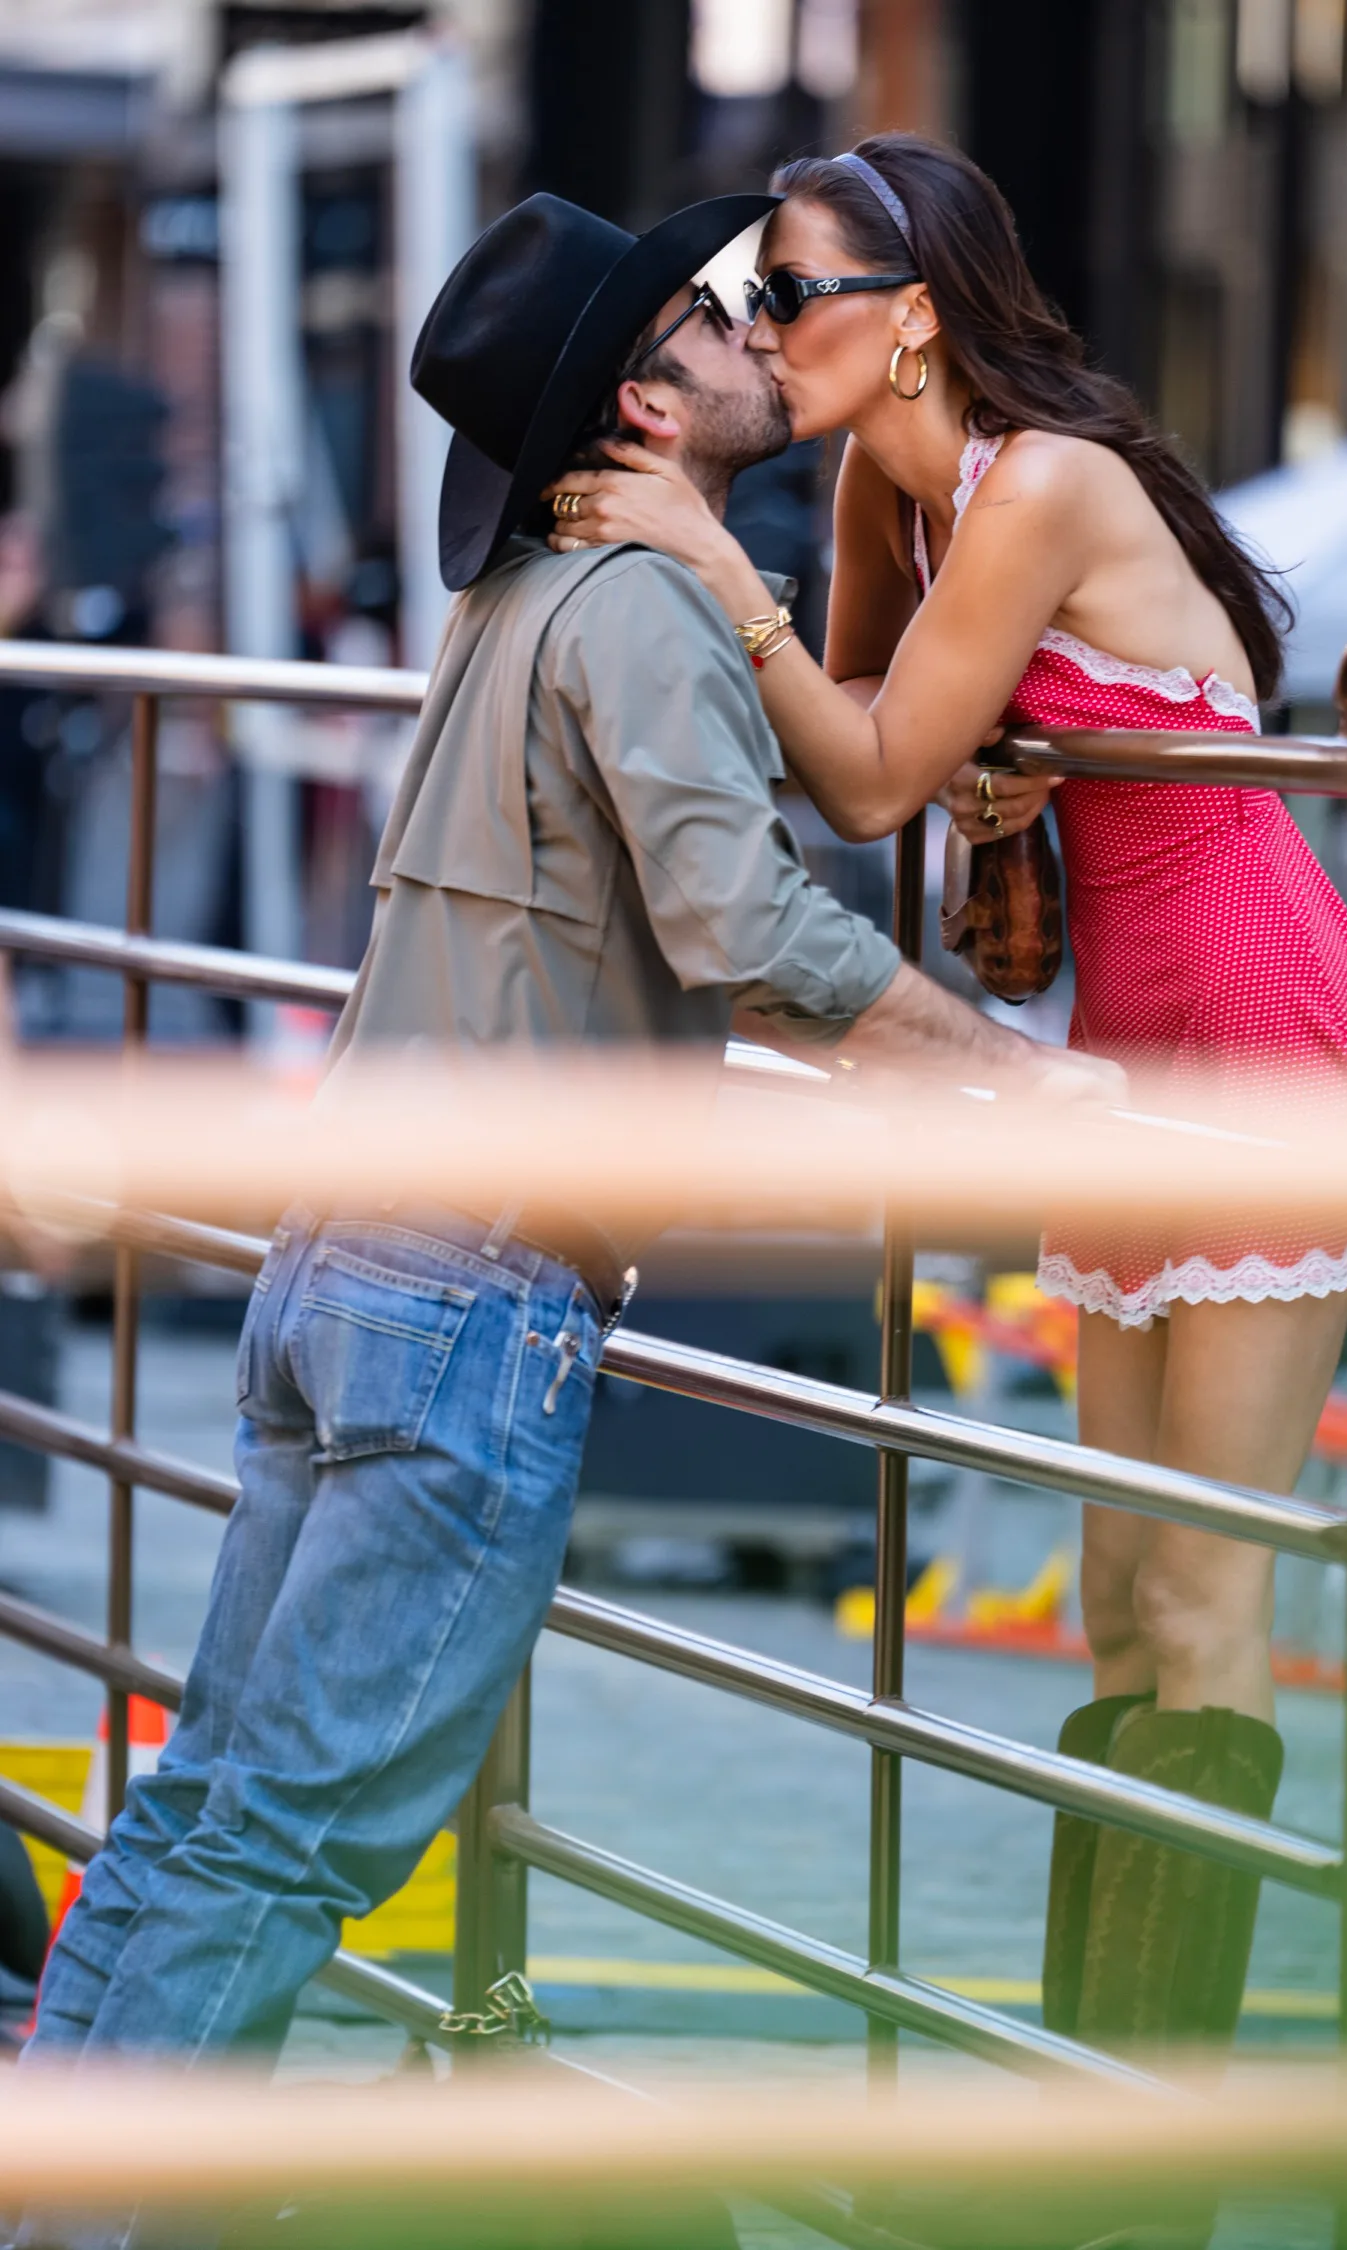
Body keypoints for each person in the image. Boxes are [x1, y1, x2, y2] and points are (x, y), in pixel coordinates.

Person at [21, 186, 1115, 2127]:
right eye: (713, 318)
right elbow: (754, 938)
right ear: (646, 411)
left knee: (211, 1805)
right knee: (278, 1840)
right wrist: (1005, 1083)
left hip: (343, 1257)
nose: (751, 332)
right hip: (469, 1300)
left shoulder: (518, 598)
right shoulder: (639, 611)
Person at [542, 134, 1347, 2065]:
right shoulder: (876, 503)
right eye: (753, 299)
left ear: (912, 320)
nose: (762, 331)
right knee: (1106, 1587)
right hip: (1124, 1041)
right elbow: (841, 741)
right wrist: (929, 721)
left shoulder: (1044, 487)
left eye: (793, 294)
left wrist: (698, 558)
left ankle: (1147, 2139)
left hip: (1256, 1024)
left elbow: (871, 769)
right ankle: (1096, 2091)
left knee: (1198, 1591)